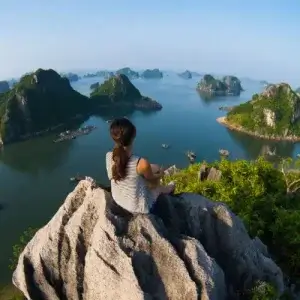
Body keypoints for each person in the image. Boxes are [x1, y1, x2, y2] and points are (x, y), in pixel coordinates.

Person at [106, 117, 175, 213]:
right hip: (137, 207)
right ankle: (170, 188)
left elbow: (115, 175)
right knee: (157, 186)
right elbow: (153, 180)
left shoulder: (109, 156)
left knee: (152, 168)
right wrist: (161, 173)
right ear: (134, 135)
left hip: (117, 198)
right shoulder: (141, 163)